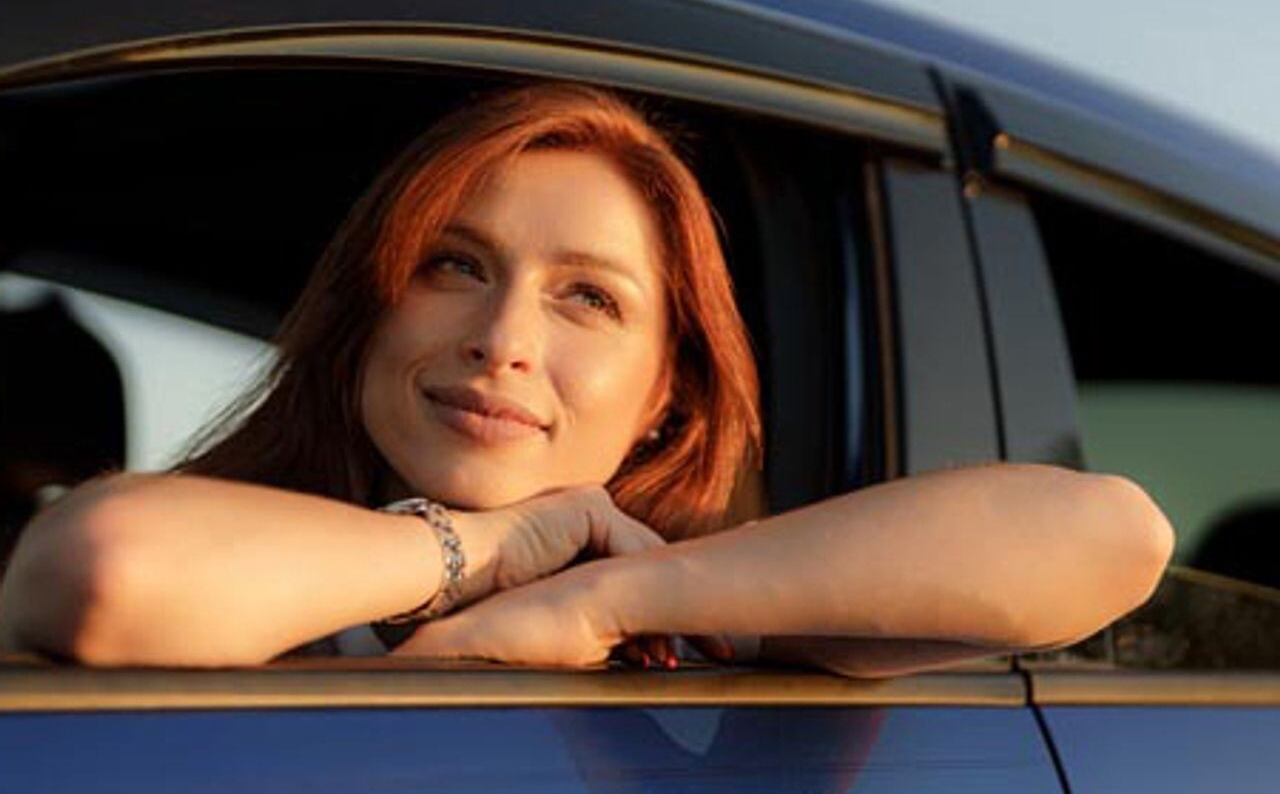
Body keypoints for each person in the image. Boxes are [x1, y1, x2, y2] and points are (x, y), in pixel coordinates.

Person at [0, 82, 1174, 672]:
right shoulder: (239, 568)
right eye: (454, 264)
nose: (502, 335)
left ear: (667, 392)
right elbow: (102, 569)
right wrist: (487, 547)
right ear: (369, 310)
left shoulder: (705, 613)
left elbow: (1108, 532)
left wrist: (601, 599)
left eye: (588, 297)